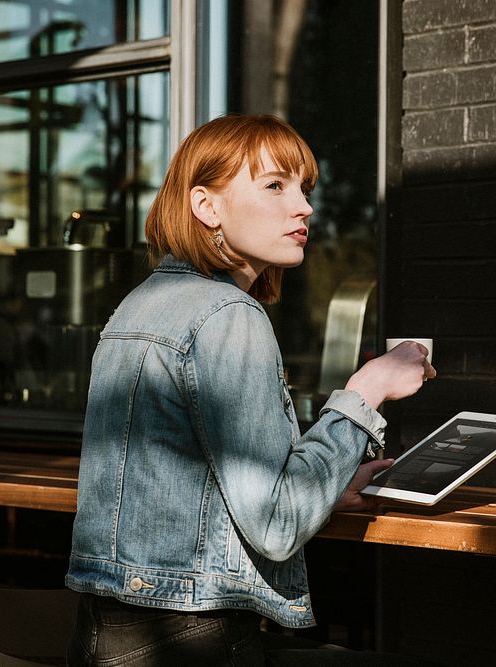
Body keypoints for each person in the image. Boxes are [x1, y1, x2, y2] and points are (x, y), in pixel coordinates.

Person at [66, 114, 436, 666]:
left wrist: (328, 485)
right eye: (274, 186)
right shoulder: (227, 314)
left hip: (110, 632)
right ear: (206, 206)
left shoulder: (139, 304)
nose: (303, 206)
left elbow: (214, 484)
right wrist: (368, 387)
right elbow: (277, 523)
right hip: (191, 637)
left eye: (303, 187)